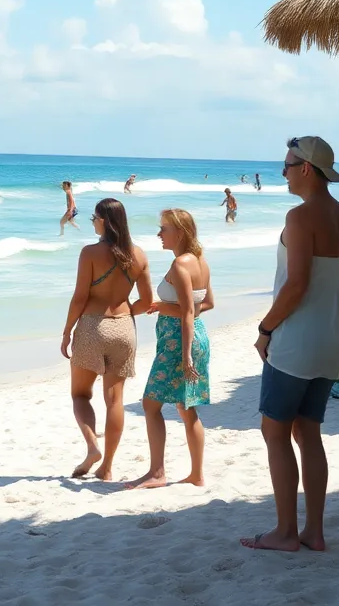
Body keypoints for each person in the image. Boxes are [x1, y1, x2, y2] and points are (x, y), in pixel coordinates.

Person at [243, 136, 339, 553]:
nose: (283, 172)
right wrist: (331, 321)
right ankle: (314, 531)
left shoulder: (299, 217)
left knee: (275, 432)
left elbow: (296, 284)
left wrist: (265, 329)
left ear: (306, 169)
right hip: (331, 341)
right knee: (309, 433)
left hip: (295, 342)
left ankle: (284, 532)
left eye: (288, 165)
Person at [61, 198, 153, 481]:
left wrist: (66, 332)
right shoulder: (138, 255)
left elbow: (80, 298)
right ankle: (107, 467)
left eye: (93, 218)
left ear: (104, 221)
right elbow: (147, 301)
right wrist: (125, 314)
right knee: (115, 401)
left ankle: (92, 448)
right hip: (124, 329)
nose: (92, 222)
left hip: (92, 326)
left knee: (80, 395)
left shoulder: (89, 253)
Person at [129, 209, 213, 490]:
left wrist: (186, 353)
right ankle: (197, 474)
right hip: (196, 338)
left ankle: (157, 473)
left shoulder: (180, 264)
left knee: (150, 405)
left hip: (179, 343)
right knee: (187, 408)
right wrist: (167, 307)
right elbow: (206, 304)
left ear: (179, 232)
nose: (159, 234)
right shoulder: (200, 261)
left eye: (163, 228)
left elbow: (189, 312)